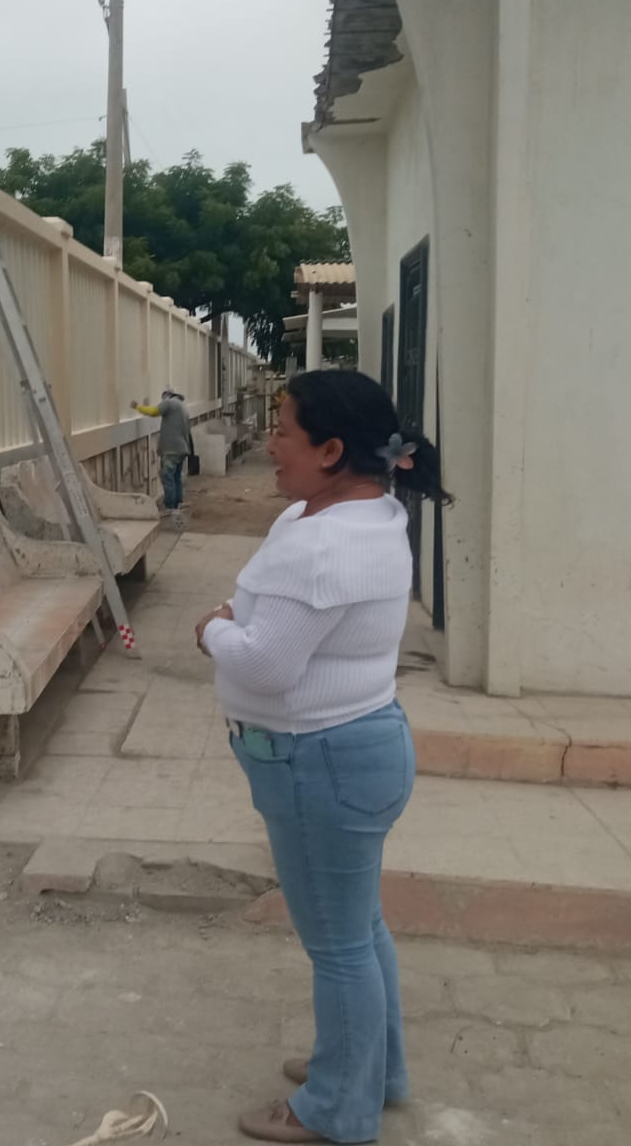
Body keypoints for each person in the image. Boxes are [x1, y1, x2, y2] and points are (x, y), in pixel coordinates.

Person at [194, 369, 451, 1144]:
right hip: (357, 751)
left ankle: (338, 1108)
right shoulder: (361, 513)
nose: (270, 445)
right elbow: (265, 607)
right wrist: (238, 617)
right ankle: (375, 1070)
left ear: (332, 450)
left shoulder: (322, 542)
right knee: (360, 930)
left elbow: (265, 662)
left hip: (321, 764)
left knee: (339, 947)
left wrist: (210, 630)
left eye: (283, 432)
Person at [131, 389, 191, 512]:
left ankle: (169, 507)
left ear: (166, 396)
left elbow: (153, 411)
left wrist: (138, 407)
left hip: (171, 450)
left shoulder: (169, 403)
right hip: (182, 449)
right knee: (176, 478)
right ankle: (178, 504)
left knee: (168, 478)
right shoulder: (182, 406)